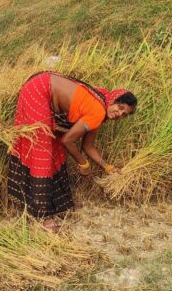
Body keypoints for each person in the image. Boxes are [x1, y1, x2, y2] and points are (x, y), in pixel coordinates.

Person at [8, 72, 137, 232]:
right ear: (113, 100)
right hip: (39, 91)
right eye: (120, 107)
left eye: (124, 115)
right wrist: (83, 163)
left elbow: (88, 146)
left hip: (41, 88)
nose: (119, 114)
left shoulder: (101, 104)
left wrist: (107, 167)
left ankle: (49, 208)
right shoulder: (97, 111)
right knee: (42, 154)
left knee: (54, 152)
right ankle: (43, 217)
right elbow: (68, 140)